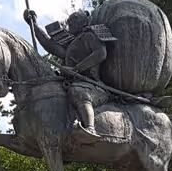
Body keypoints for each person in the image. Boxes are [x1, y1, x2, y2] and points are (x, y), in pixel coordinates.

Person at [24, 8, 113, 140]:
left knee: (79, 93)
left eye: (74, 20)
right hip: (71, 83)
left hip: (92, 85)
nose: (70, 23)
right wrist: (34, 24)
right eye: (69, 21)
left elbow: (100, 54)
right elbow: (49, 44)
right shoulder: (72, 44)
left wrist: (76, 69)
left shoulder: (90, 35)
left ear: (83, 22)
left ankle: (90, 128)